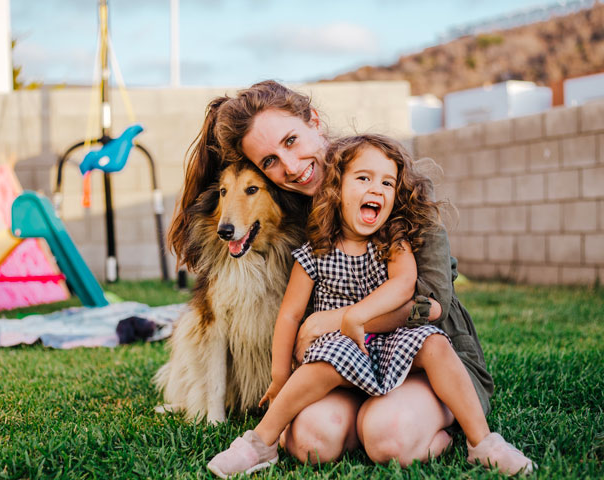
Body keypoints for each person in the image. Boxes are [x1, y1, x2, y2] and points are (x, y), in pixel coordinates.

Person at [168, 80, 531, 473]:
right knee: (310, 442)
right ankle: (288, 437)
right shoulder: (293, 217)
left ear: (315, 122)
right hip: (342, 364)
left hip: (419, 361)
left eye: (290, 141)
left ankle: (456, 434)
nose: (289, 167)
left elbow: (430, 308)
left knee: (389, 439)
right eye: (269, 161)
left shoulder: (389, 193)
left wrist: (334, 320)